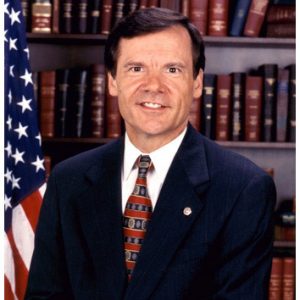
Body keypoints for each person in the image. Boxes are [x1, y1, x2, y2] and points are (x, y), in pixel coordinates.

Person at [26, 8, 276, 300]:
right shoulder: (67, 180)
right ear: (112, 81)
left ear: (196, 83)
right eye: (136, 68)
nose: (153, 86)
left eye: (172, 69)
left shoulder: (243, 189)